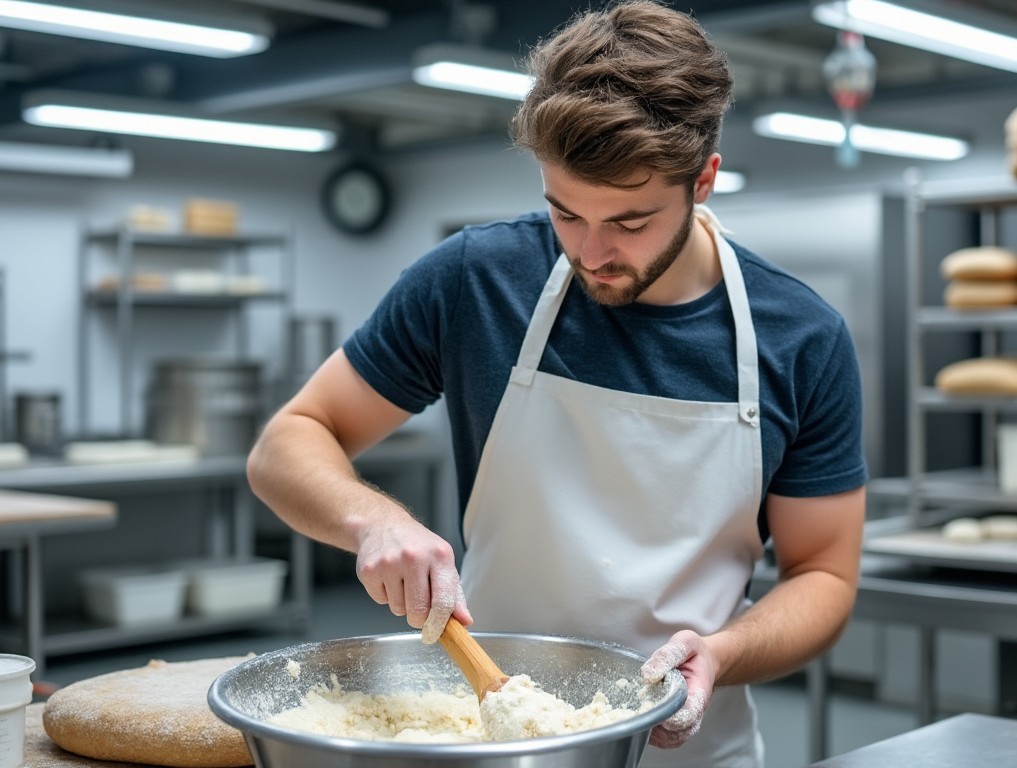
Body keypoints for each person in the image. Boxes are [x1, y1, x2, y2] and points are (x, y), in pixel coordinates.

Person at [247, 2, 866, 766]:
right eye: (565, 212)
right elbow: (288, 442)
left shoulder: (800, 336)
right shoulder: (477, 280)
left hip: (692, 748)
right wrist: (373, 521)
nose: (592, 252)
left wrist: (726, 653)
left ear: (703, 180)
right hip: (494, 736)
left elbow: (825, 576)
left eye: (631, 222)